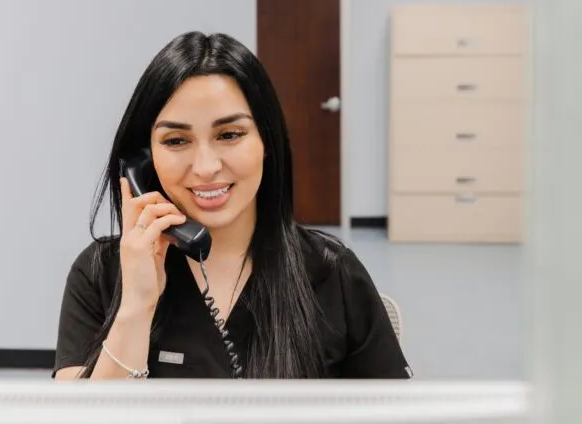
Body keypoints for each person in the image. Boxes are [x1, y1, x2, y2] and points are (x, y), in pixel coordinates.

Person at [53, 31, 411, 380]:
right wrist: (135, 307)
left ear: (266, 142)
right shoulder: (99, 274)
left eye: (229, 135)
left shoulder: (331, 272)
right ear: (142, 162)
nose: (206, 166)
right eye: (176, 140)